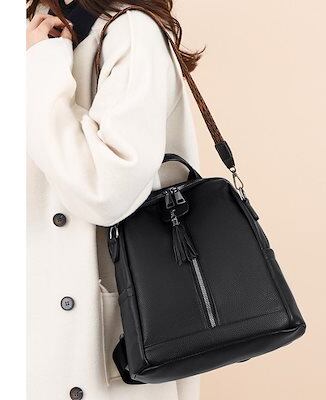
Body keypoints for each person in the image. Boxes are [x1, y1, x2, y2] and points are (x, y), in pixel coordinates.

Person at [26, 1, 201, 399]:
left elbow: (105, 191)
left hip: (96, 358)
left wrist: (42, 66)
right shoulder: (34, 28)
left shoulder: (130, 32)